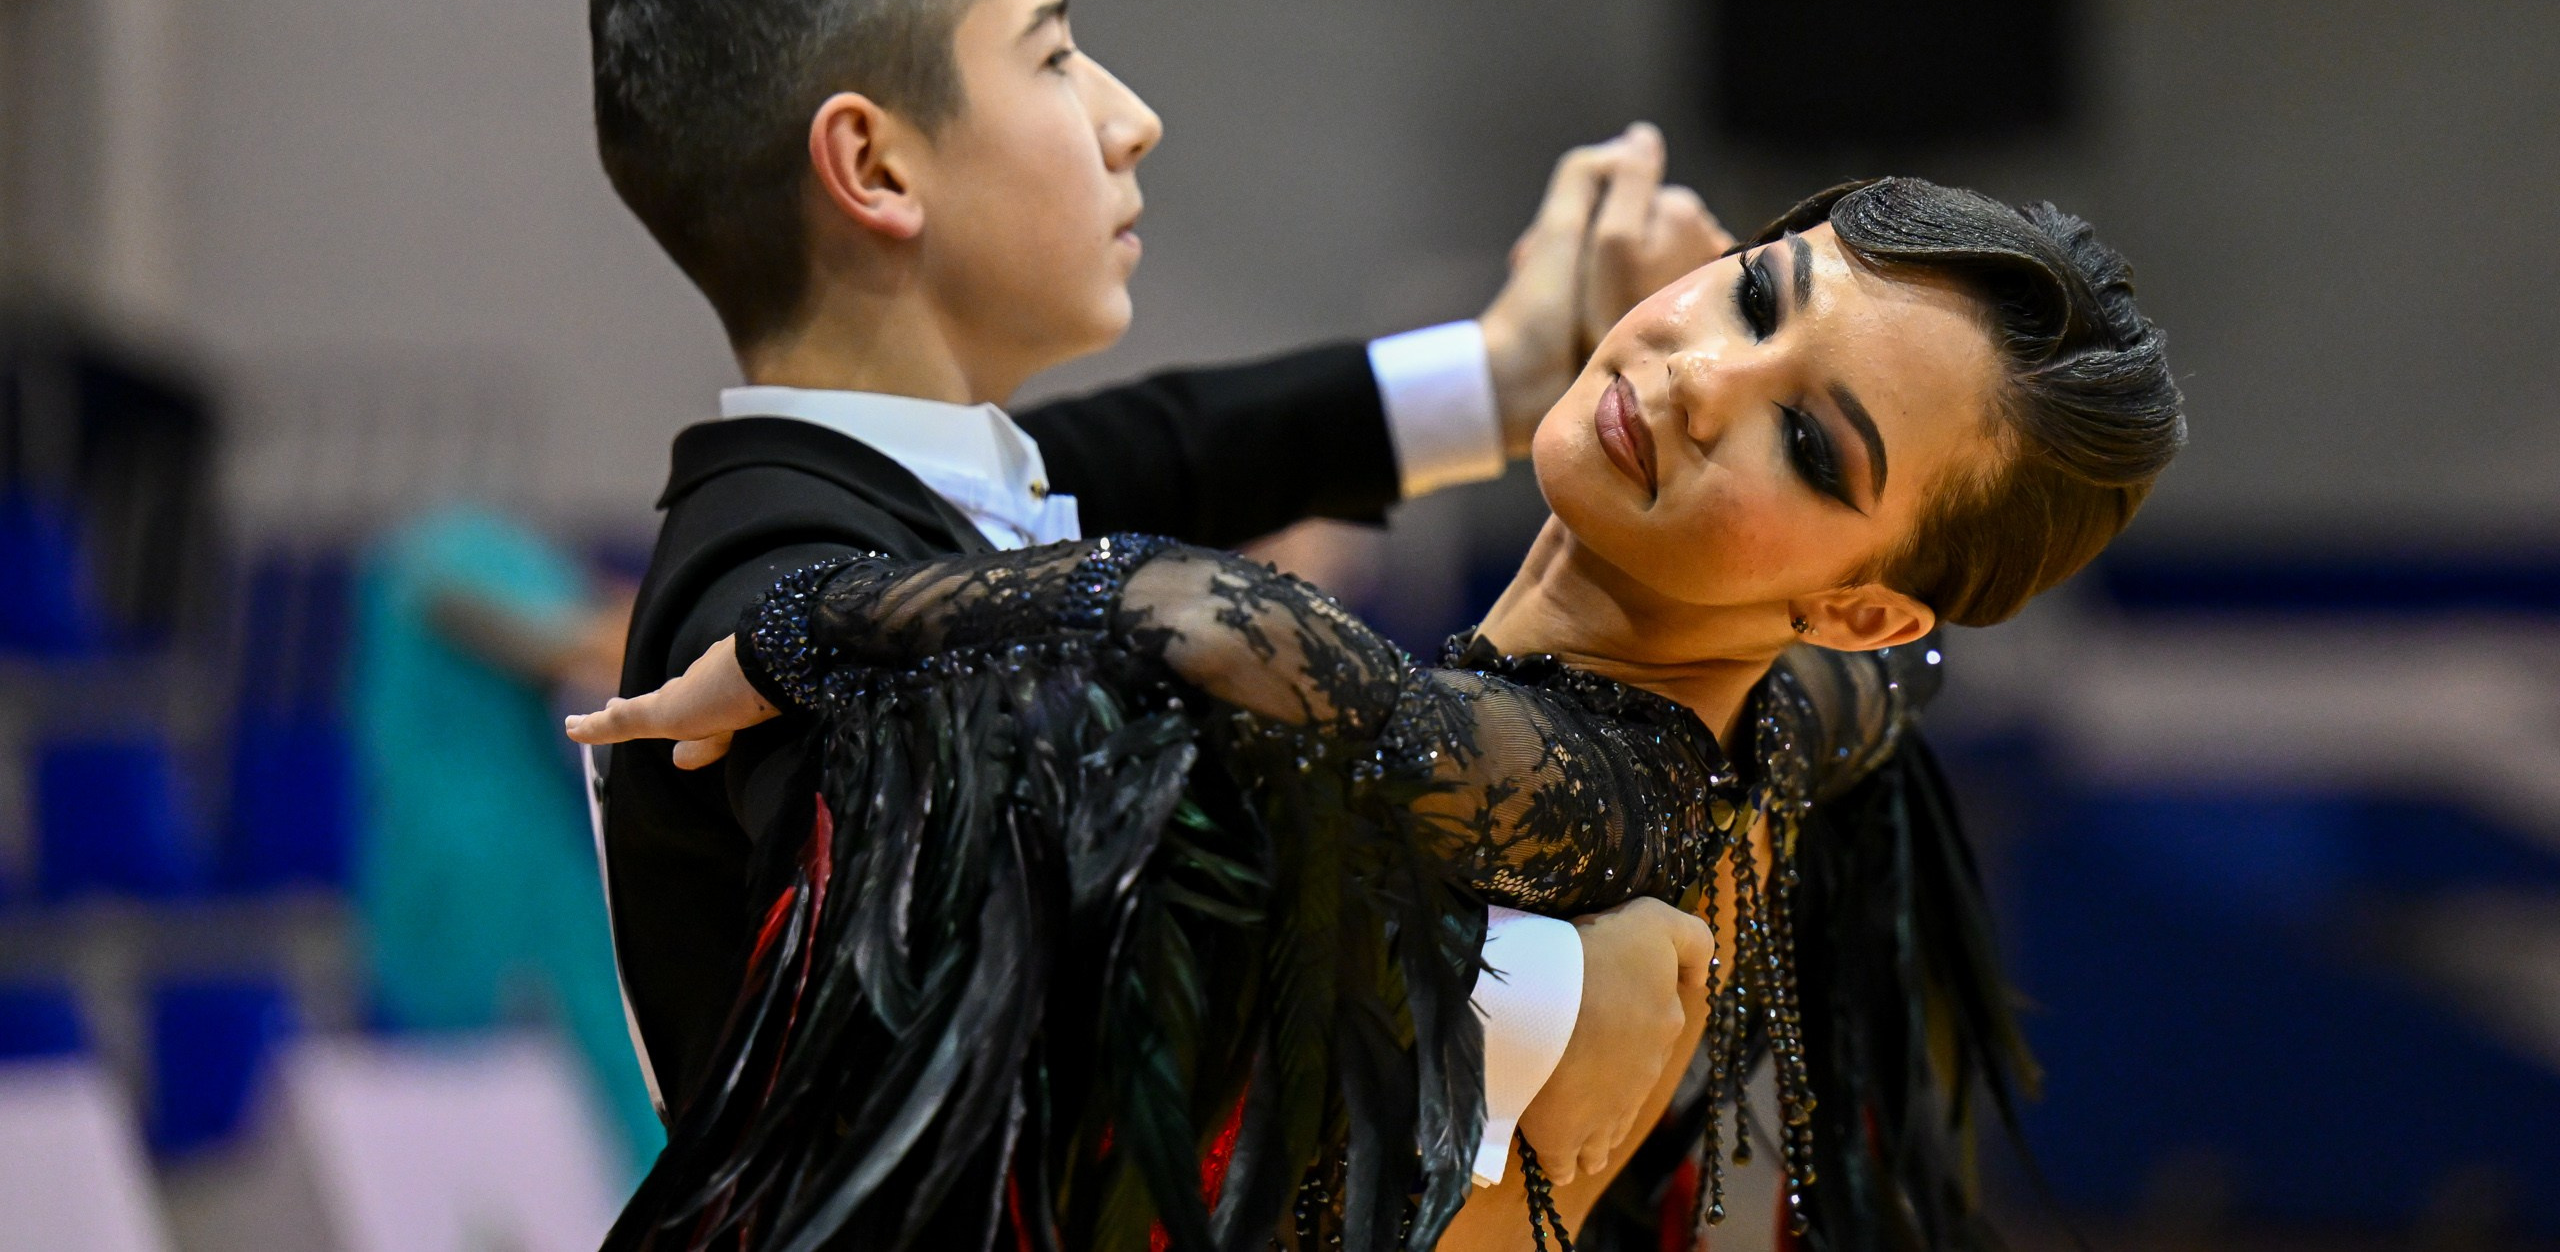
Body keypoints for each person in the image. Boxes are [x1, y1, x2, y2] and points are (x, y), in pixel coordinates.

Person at [571, 176, 2187, 1252]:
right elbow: (1896, 679)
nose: (1698, 374)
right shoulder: (1797, 720)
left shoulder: (1592, 801)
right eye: (1754, 295)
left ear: (1861, 591)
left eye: (1813, 447)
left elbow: (1222, 629)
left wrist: (804, 629)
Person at [584, 0, 1730, 1216]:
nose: (1132, 115)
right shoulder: (772, 573)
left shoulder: (887, 488)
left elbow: (1179, 445)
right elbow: (1062, 967)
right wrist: (1530, 989)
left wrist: (1510, 371)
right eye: (1055, 55)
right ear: (877, 169)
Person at [350, 505, 660, 1174]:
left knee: (608, 1078)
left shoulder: (501, 559)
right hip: (464, 867)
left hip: (517, 855)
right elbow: (579, 645)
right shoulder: (435, 566)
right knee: (473, 1102)